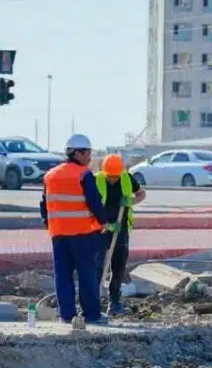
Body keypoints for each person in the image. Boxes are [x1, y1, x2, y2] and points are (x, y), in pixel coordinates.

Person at [39, 134, 109, 326]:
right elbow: (94, 203)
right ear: (77, 153)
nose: (89, 157)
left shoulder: (50, 175)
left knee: (62, 275)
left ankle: (66, 315)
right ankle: (92, 315)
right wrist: (105, 223)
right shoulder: (83, 175)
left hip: (59, 235)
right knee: (87, 274)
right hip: (83, 234)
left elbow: (44, 205)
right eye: (87, 153)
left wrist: (50, 225)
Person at [94, 153, 147, 315]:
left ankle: (114, 302)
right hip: (100, 228)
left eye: (116, 176)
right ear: (104, 172)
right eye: (110, 176)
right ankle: (93, 300)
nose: (113, 179)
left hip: (121, 228)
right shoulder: (96, 180)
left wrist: (130, 201)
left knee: (118, 265)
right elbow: (88, 205)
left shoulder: (127, 178)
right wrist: (107, 225)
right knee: (97, 263)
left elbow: (141, 194)